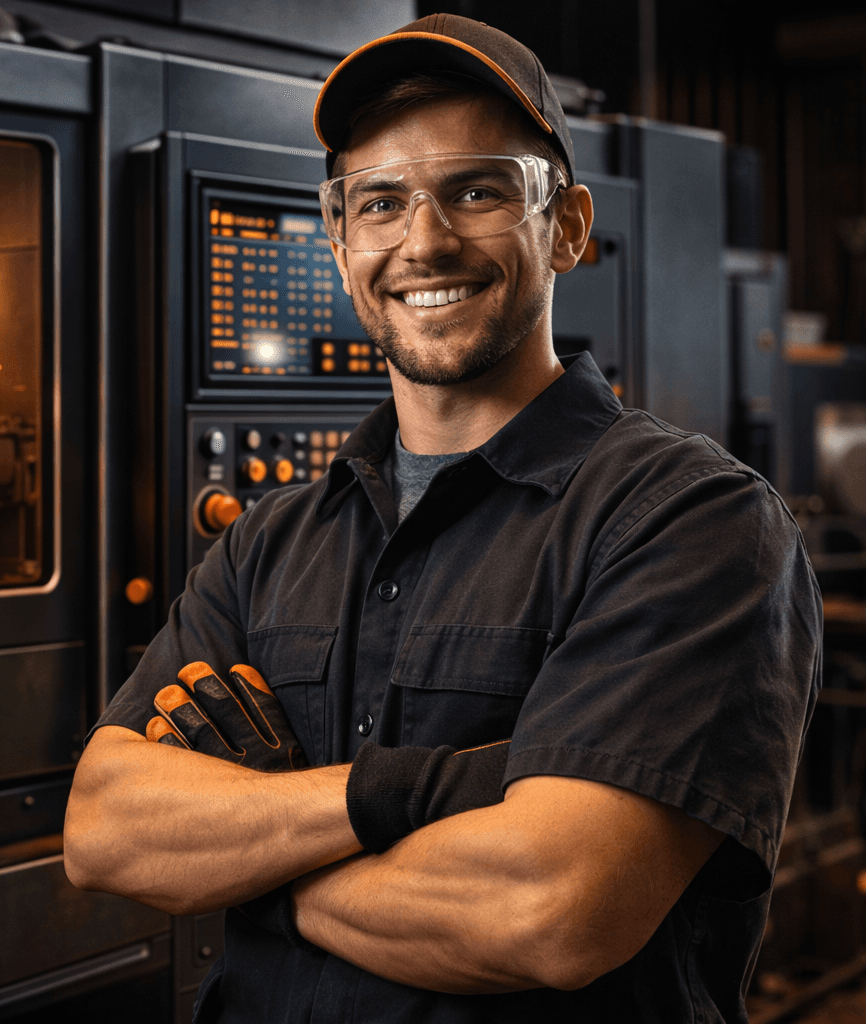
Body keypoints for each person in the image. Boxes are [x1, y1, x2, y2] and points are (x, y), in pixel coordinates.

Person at [64, 13, 820, 1023]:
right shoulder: (272, 539)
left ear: (567, 225)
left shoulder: (691, 522)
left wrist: (251, 848)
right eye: (380, 201)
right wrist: (406, 793)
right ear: (340, 241)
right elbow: (107, 826)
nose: (423, 242)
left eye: (476, 190)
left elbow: (551, 910)